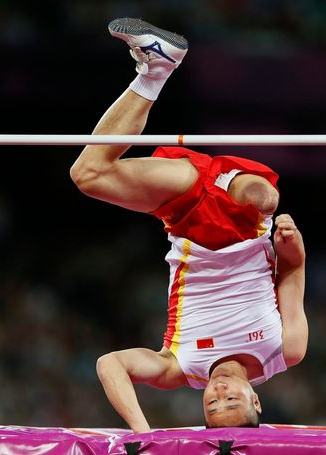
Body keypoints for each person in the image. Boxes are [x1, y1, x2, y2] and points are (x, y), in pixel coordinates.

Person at [70, 18, 307, 433]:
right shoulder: (285, 351)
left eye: (211, 407)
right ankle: (231, 179)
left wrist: (144, 436)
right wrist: (289, 240)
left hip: (187, 217)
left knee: (87, 176)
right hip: (246, 219)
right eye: (231, 400)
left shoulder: (181, 368)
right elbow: (292, 270)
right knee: (266, 198)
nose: (218, 394)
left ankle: (155, 70)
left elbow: (110, 364)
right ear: (256, 399)